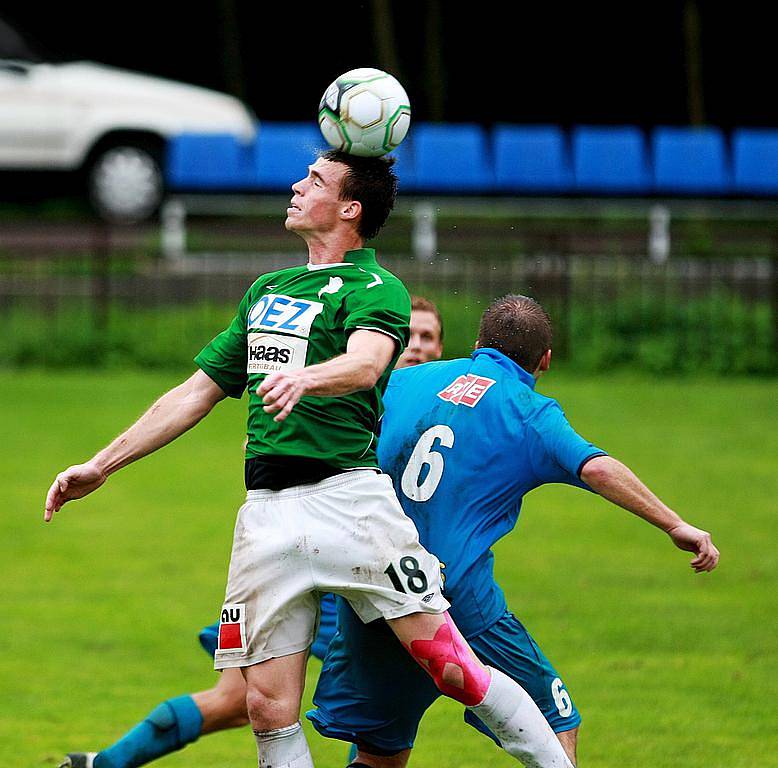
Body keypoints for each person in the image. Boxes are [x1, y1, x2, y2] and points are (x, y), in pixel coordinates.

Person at [46, 149, 575, 768]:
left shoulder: (378, 287)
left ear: (350, 208)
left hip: (350, 503)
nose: (297, 186)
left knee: (451, 666)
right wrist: (101, 464)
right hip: (266, 514)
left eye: (315, 180)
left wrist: (306, 378)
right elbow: (195, 391)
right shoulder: (266, 291)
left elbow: (368, 362)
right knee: (267, 708)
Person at [307, 294, 720, 768]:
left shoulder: (403, 381)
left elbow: (337, 439)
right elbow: (597, 468)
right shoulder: (531, 413)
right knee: (555, 722)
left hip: (377, 585)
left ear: (478, 342)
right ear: (545, 360)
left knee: (381, 755)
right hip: (455, 597)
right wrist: (674, 524)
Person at [57, 297, 446, 768]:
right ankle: (103, 764)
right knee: (244, 699)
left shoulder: (435, 419)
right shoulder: (338, 401)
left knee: (374, 709)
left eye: (429, 338)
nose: (418, 347)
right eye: (411, 336)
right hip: (302, 562)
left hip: (385, 571)